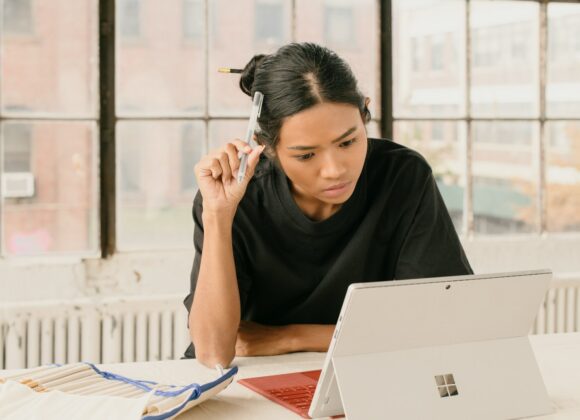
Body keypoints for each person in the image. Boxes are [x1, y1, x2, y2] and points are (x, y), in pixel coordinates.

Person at [183, 42, 472, 368]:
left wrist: (287, 338)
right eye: (306, 154)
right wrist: (219, 215)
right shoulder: (235, 196)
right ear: (266, 146)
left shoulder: (402, 176)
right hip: (257, 380)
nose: (335, 169)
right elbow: (213, 353)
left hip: (363, 370)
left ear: (365, 113)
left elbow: (444, 323)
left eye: (348, 141)